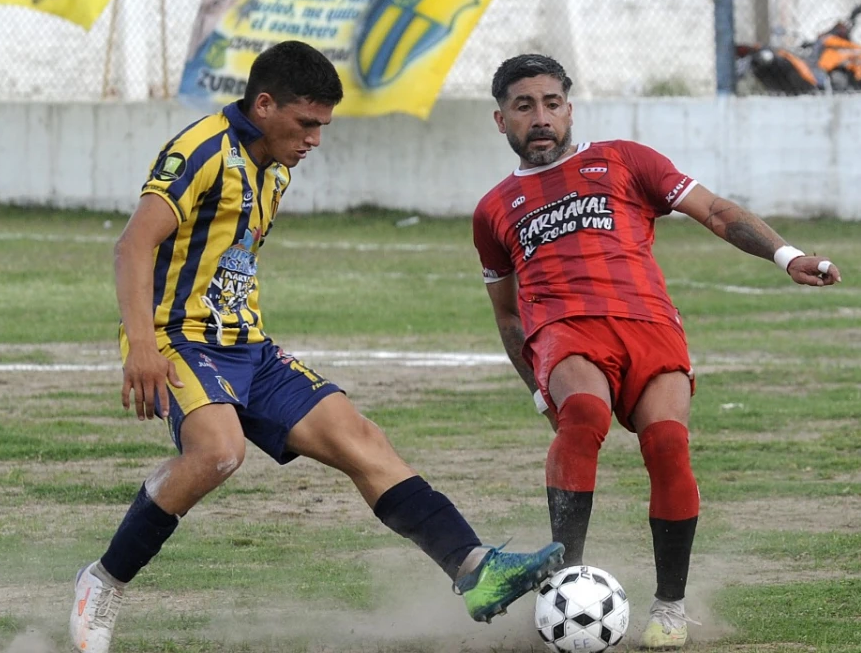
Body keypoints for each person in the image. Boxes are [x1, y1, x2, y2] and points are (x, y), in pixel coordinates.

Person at [70, 41, 564, 653]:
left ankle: (475, 568)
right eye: (306, 124)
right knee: (219, 453)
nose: (314, 140)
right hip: (179, 339)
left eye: (322, 127)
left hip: (246, 345)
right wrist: (141, 346)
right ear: (265, 104)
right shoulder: (201, 150)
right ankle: (103, 581)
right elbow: (133, 245)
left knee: (360, 437)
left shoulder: (272, 165)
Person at [471, 54, 841, 650]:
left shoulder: (623, 160)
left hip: (649, 325)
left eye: (552, 103)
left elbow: (717, 213)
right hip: (567, 329)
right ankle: (568, 585)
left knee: (668, 445)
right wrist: (538, 388)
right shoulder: (493, 209)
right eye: (524, 106)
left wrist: (787, 256)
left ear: (569, 108)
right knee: (583, 417)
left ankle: (670, 608)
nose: (540, 118)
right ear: (501, 120)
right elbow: (509, 315)